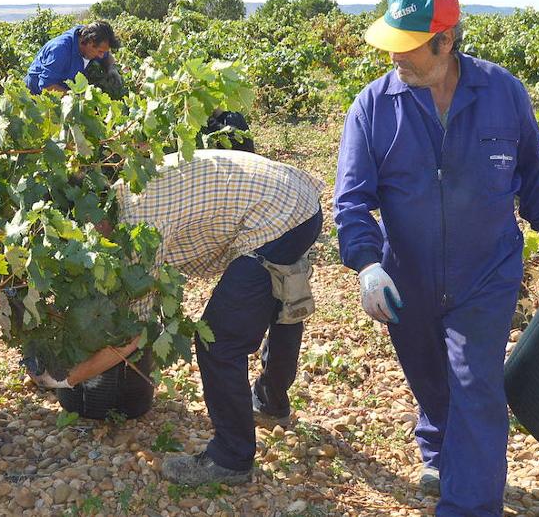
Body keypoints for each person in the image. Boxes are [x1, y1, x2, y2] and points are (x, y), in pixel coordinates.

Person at [334, 0, 539, 515]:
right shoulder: (374, 106)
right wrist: (368, 265)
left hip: (486, 271)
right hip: (407, 275)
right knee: (430, 377)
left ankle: (468, 504)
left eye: (407, 45)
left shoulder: (501, 92)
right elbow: (351, 199)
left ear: (444, 43)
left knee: (475, 384)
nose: (394, 56)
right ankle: (441, 452)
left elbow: (532, 172)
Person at [31, 149, 324, 486]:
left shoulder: (139, 229)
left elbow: (133, 336)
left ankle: (231, 458)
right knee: (278, 297)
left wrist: (67, 379)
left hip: (280, 217)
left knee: (219, 339)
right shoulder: (127, 186)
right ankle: (272, 402)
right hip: (296, 201)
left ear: (94, 219)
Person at [24, 21, 121, 95]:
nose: (102, 56)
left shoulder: (91, 39)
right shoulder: (59, 50)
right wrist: (77, 99)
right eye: (100, 52)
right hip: (36, 97)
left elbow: (107, 56)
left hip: (65, 90)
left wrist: (112, 68)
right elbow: (47, 87)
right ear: (89, 42)